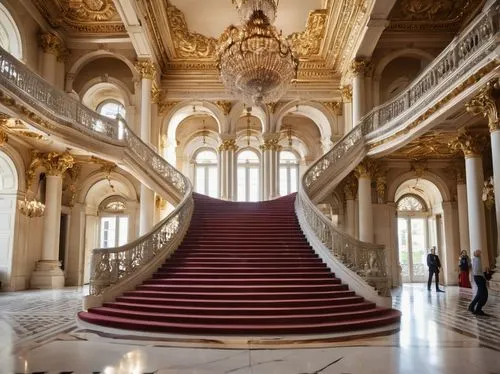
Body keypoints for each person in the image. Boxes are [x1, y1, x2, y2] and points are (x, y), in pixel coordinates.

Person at [468, 249, 489, 316]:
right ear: (475, 253)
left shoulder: (476, 259)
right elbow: (477, 272)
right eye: (478, 252)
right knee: (484, 294)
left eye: (480, 252)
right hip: (479, 278)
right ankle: (478, 310)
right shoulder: (476, 260)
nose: (480, 253)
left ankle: (471, 307)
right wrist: (484, 277)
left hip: (478, 277)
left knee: (480, 294)